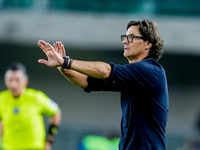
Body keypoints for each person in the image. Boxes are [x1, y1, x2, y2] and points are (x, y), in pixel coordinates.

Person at [38, 19, 169, 150]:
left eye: (131, 37)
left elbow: (106, 70)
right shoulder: (133, 77)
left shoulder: (150, 71)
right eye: (125, 37)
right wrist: (62, 66)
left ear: (147, 43)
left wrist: (66, 61)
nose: (124, 41)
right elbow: (86, 81)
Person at [0, 62, 61, 150]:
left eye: (17, 80)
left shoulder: (36, 97)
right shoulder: (2, 99)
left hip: (35, 147)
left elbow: (56, 111)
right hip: (10, 148)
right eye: (10, 80)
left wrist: (50, 139)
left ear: (26, 81)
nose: (13, 85)